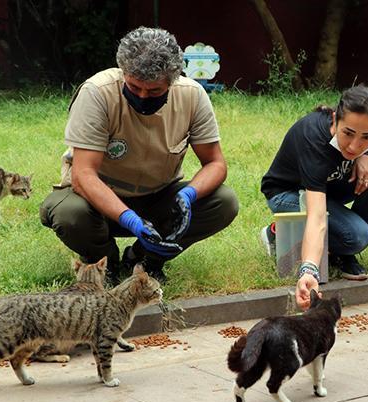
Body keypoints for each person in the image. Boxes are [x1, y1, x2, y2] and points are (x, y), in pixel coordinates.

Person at [40, 27, 239, 282]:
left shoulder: (192, 95)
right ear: (123, 72)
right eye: (134, 87)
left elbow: (215, 163)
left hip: (157, 197)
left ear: (173, 79)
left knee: (223, 201)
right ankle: (105, 262)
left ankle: (145, 259)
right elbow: (83, 175)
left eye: (154, 91)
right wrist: (130, 220)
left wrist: (188, 196)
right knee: (70, 214)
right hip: (96, 199)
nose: (143, 96)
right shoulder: (97, 92)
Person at [260, 86, 368, 309]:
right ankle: (278, 233)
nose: (355, 145)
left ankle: (341, 250)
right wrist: (309, 271)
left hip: (330, 184)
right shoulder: (314, 140)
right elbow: (317, 217)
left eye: (367, 137)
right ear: (335, 119)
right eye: (348, 133)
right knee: (359, 237)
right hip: (288, 194)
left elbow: (365, 146)